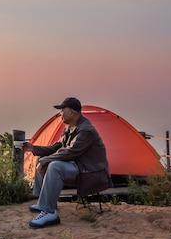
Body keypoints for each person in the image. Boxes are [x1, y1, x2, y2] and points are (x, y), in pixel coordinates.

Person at [22, 97, 112, 228]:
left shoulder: (86, 130)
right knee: (41, 159)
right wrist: (34, 149)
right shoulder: (69, 128)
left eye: (62, 110)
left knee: (54, 166)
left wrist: (46, 161)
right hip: (77, 167)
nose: (60, 114)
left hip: (90, 172)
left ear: (72, 112)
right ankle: (42, 203)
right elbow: (56, 147)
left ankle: (49, 213)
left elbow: (71, 152)